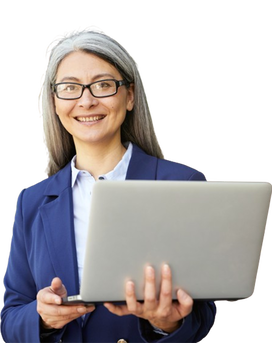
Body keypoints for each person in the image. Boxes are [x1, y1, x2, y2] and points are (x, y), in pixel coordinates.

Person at [0, 23, 216, 342]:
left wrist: (167, 323)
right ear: (55, 103)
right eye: (70, 87)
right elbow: (9, 319)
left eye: (102, 85)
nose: (86, 102)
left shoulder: (186, 185)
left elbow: (204, 316)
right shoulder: (31, 200)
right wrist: (41, 317)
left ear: (129, 96)